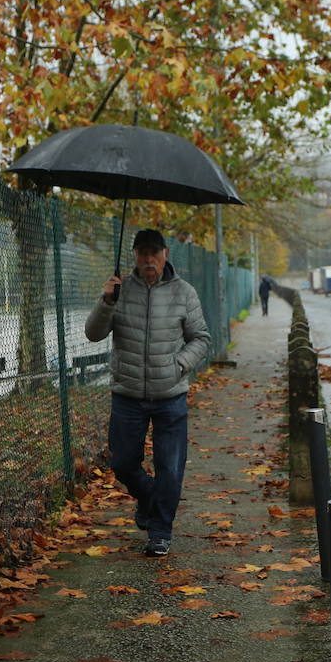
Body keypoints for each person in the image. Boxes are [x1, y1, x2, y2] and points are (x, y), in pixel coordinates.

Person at [85, 229, 210, 557]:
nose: (149, 259)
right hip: (127, 395)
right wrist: (106, 302)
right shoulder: (119, 290)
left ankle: (160, 532)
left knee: (170, 466)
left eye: (155, 252)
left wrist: (178, 365)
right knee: (124, 463)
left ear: (166, 254)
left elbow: (201, 338)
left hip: (170, 394)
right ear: (135, 256)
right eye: (143, 253)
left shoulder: (184, 292)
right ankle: (149, 497)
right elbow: (94, 334)